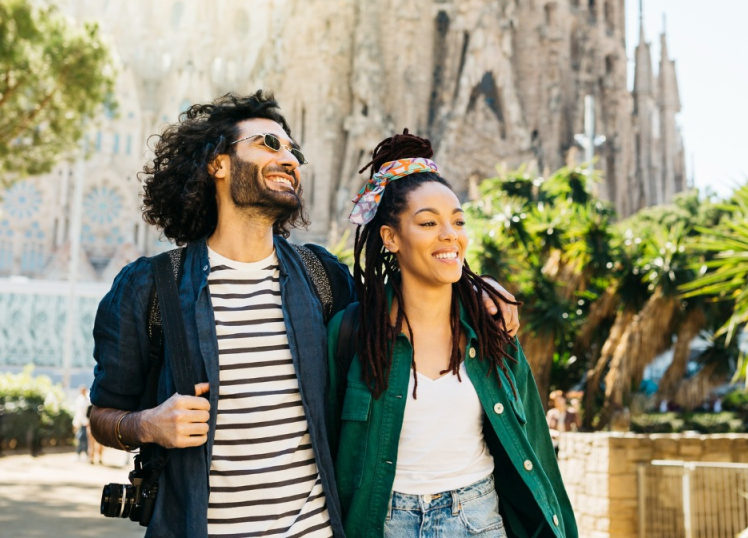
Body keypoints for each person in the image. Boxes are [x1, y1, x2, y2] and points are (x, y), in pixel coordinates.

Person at [87, 91, 519, 538]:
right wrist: (149, 425)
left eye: (293, 150)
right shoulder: (152, 288)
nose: (288, 157)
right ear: (217, 164)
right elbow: (103, 415)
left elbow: (408, 302)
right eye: (268, 144)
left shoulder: (321, 277)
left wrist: (477, 290)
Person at [327, 131, 577, 538]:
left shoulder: (492, 327)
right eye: (428, 222)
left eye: (458, 220)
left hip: (477, 519)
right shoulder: (354, 334)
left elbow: (534, 441)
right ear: (391, 238)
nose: (450, 234)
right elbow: (328, 447)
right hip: (384, 522)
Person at [73, 386, 91, 461]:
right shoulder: (79, 399)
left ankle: (86, 454)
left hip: (86, 422)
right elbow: (78, 412)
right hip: (81, 422)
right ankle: (79, 453)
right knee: (80, 438)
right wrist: (75, 423)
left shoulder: (88, 399)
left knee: (86, 439)